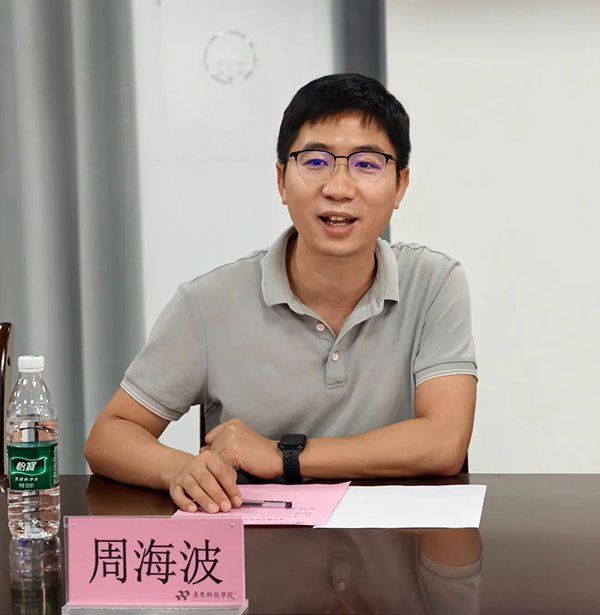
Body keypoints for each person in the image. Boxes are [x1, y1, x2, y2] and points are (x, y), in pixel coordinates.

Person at [85, 73, 478, 515]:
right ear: (281, 181)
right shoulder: (210, 302)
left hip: (396, 542)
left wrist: (282, 456)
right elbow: (110, 435)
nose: (338, 188)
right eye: (315, 161)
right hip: (261, 546)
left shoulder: (433, 282)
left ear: (400, 185)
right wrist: (181, 470)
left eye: (366, 164)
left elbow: (444, 442)